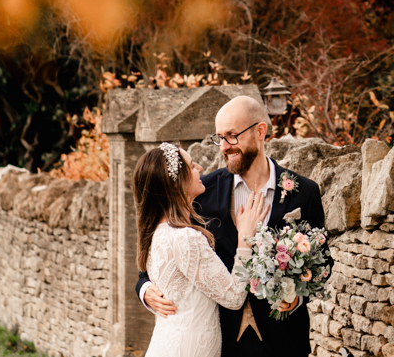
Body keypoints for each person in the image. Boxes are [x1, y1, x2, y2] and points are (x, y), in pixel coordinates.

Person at [136, 96, 329, 357]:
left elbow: (321, 262)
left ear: (260, 131)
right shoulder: (202, 192)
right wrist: (145, 290)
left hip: (282, 341)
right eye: (219, 137)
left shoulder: (303, 192)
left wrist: (295, 297)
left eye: (232, 136)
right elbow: (164, 253)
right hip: (221, 342)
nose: (224, 146)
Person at [134, 141, 269, 357]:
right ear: (176, 182)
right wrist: (245, 240)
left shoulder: (156, 233)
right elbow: (234, 298)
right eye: (192, 165)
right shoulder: (186, 237)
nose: (200, 168)